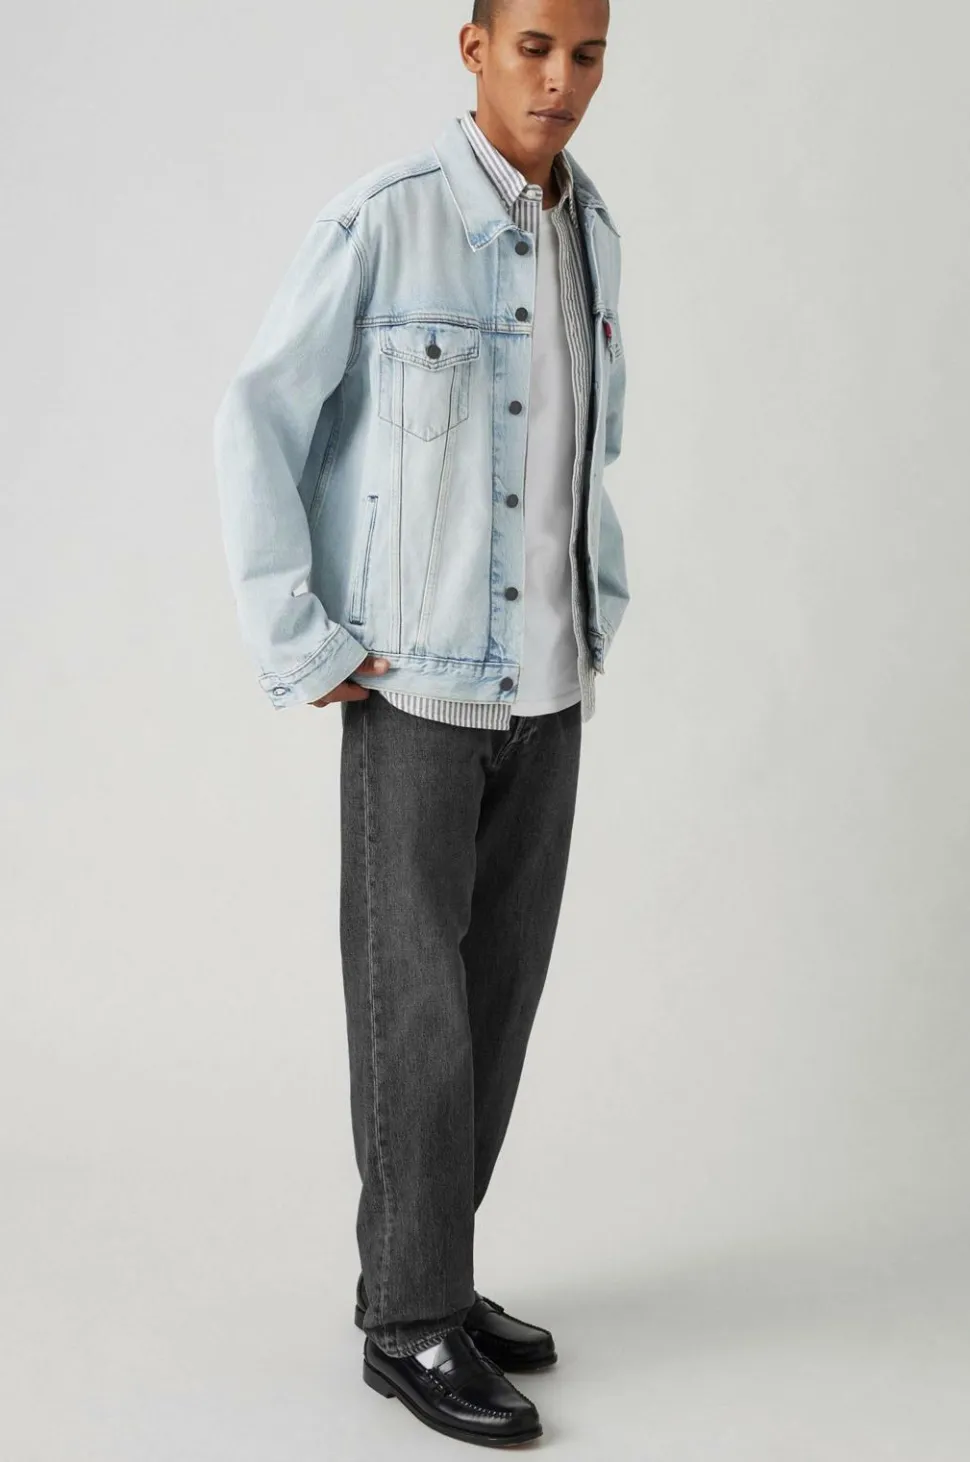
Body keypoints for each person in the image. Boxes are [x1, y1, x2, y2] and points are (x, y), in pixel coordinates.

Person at [213, 0, 628, 1445]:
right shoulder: (387, 220)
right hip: (418, 686)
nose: (559, 80)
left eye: (586, 53)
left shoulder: (593, 230)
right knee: (418, 1017)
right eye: (534, 47)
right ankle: (408, 1323)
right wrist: (302, 638)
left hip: (551, 681)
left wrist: (598, 600)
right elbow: (258, 418)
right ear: (474, 48)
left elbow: (585, 442)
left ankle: (427, 1271)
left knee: (496, 1003)